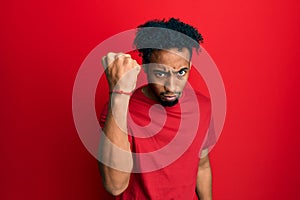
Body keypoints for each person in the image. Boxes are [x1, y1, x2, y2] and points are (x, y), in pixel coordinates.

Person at [99, 18, 215, 200]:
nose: (171, 86)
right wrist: (118, 93)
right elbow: (114, 186)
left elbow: (202, 165)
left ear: (190, 67)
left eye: (181, 72)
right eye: (160, 73)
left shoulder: (203, 106)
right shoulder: (120, 109)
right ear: (145, 68)